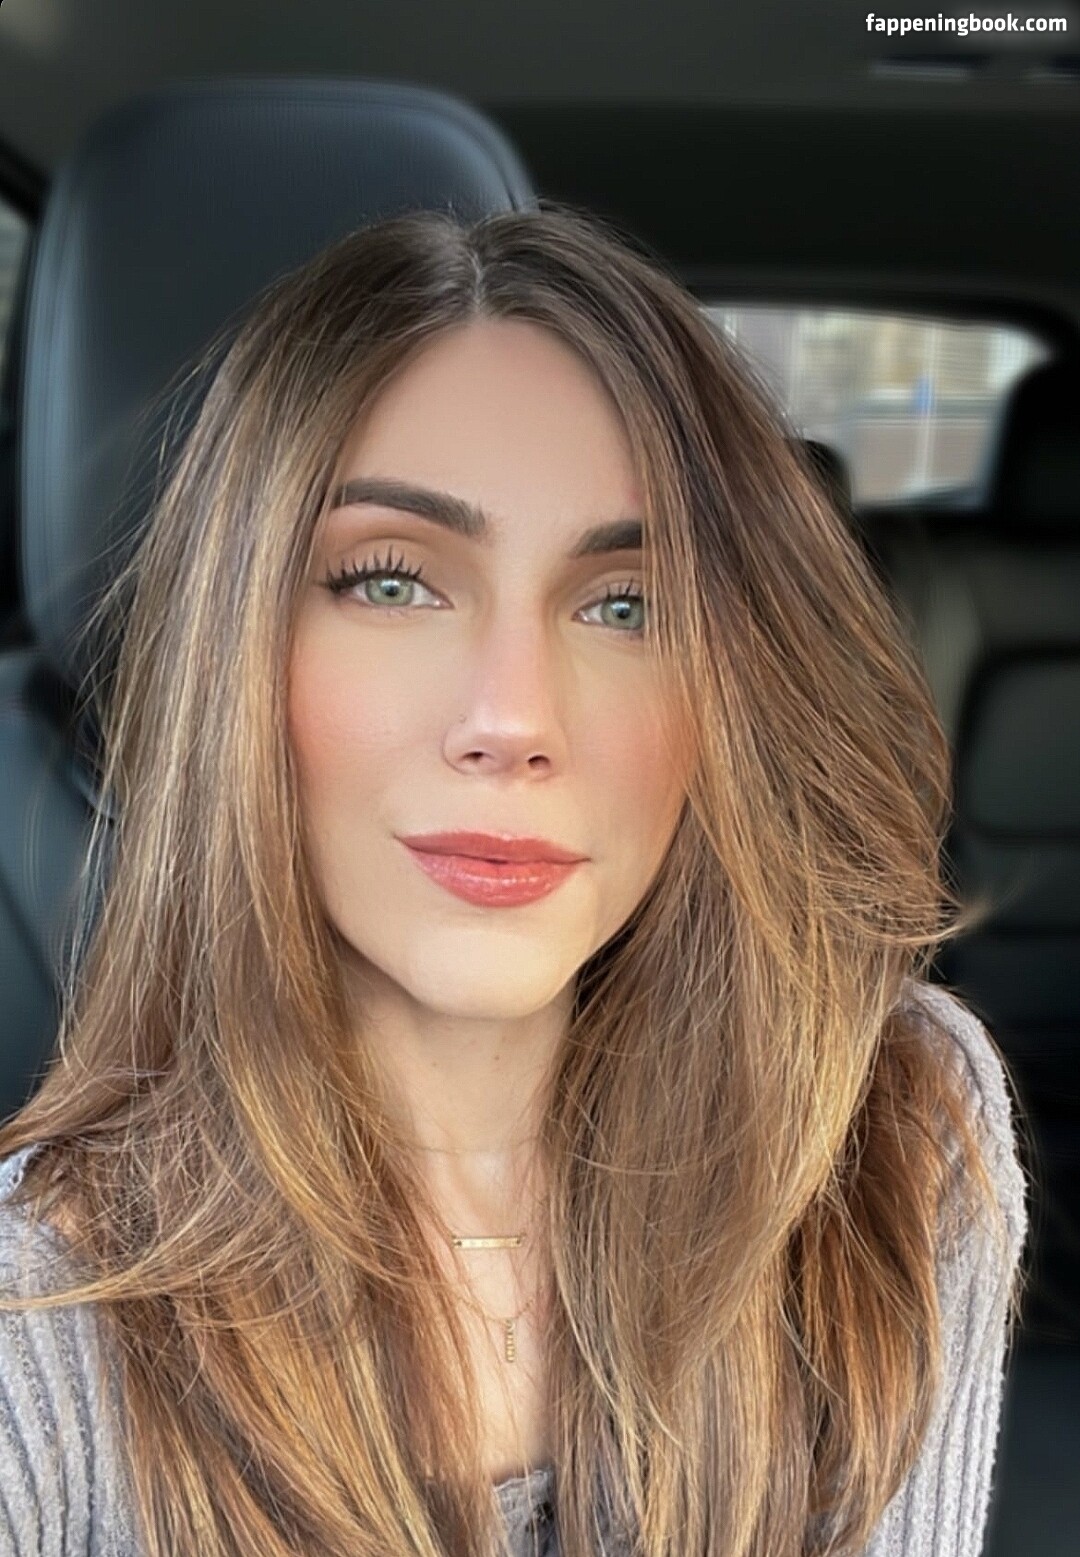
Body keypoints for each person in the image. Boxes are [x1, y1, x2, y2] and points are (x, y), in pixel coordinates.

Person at [0, 202, 1027, 1557]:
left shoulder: (887, 1139)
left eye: (625, 606)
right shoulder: (41, 1313)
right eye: (392, 582)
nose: (514, 718)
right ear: (234, 649)